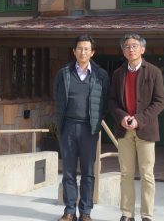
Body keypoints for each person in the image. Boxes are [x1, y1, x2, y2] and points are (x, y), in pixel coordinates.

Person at [108, 33, 164, 221]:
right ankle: (127, 213)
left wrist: (139, 119)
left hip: (146, 130)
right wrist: (122, 117)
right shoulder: (118, 74)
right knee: (126, 173)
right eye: (127, 46)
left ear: (142, 49)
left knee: (147, 174)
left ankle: (147, 215)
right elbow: (112, 101)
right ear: (123, 51)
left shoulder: (154, 72)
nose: (130, 49)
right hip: (124, 131)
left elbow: (160, 102)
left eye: (134, 46)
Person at [53, 34, 110, 221]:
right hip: (68, 126)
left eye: (87, 49)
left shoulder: (101, 75)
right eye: (79, 48)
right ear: (74, 51)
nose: (83, 51)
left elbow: (105, 101)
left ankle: (85, 212)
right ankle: (69, 210)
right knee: (68, 171)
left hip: (89, 129)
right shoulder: (64, 73)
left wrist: (96, 120)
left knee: (88, 172)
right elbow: (57, 95)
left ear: (92, 52)